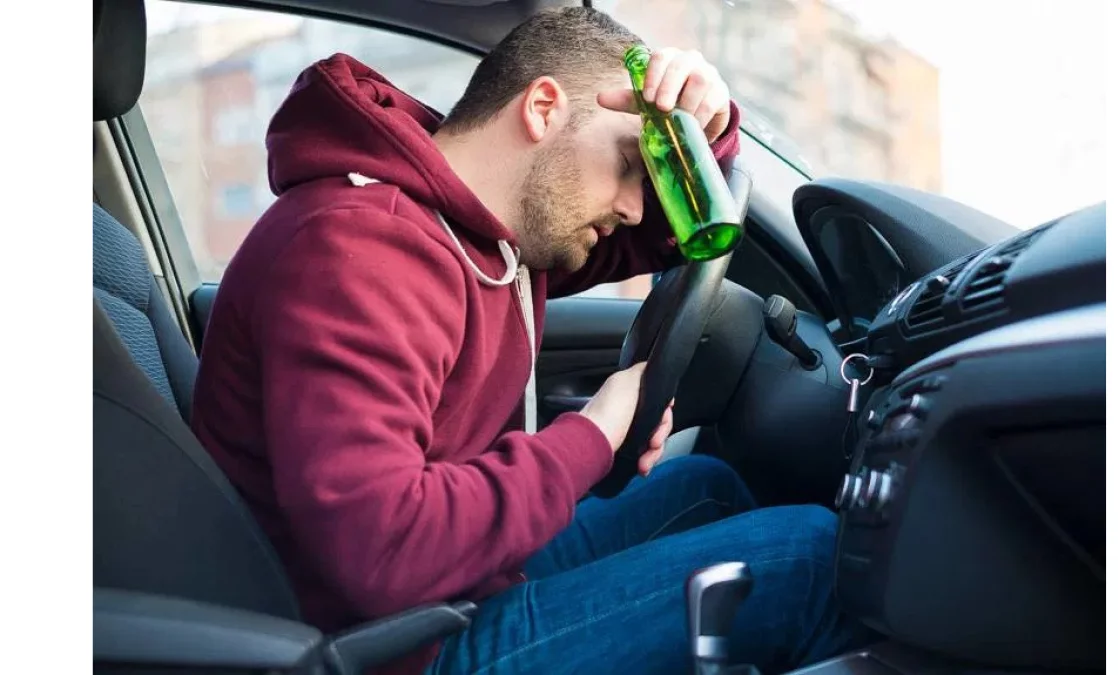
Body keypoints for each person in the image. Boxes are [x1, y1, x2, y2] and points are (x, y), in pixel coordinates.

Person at [190, 7, 875, 675]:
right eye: (629, 162)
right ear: (543, 108)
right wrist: (594, 434)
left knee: (707, 488)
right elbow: (381, 551)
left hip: (453, 587)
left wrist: (709, 132)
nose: (636, 204)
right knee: (815, 560)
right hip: (386, 645)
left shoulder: (490, 233)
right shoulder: (357, 248)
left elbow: (665, 235)